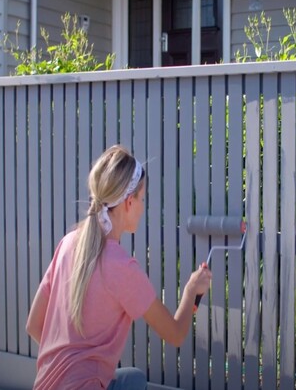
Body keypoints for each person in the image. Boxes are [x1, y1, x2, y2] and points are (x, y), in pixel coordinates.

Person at [26, 145, 212, 389]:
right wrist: (191, 291)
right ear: (128, 202)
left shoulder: (68, 243)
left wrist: (76, 367)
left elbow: (34, 325)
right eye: (142, 199)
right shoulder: (122, 267)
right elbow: (176, 334)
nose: (143, 206)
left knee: (131, 379)